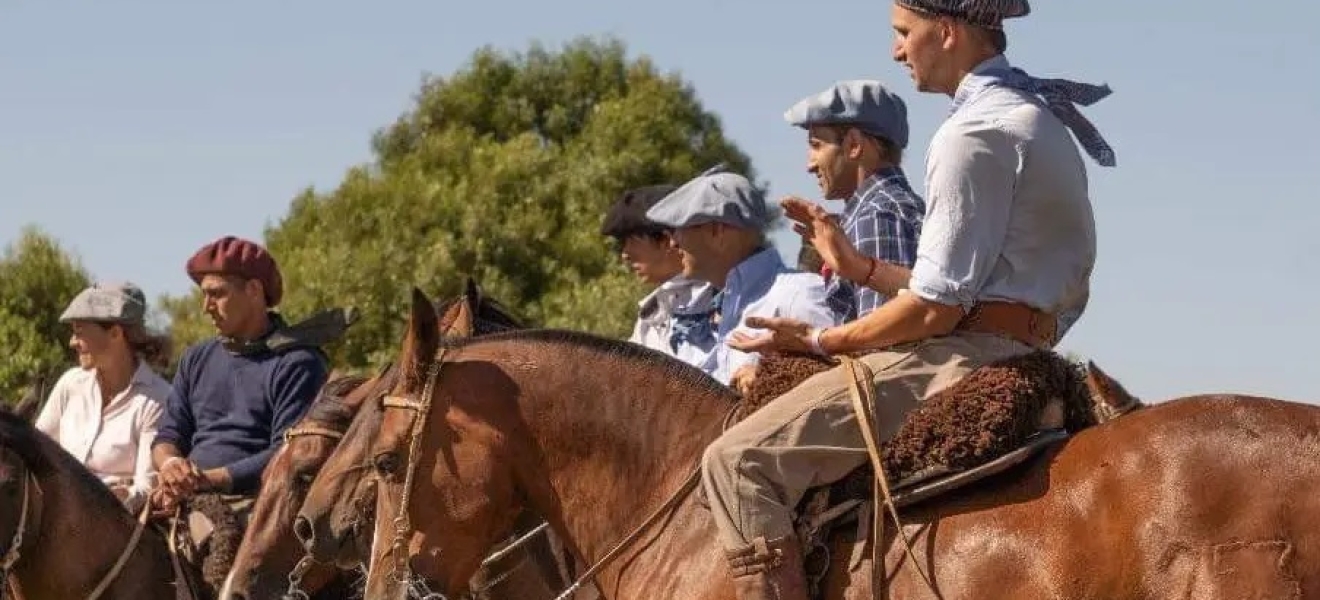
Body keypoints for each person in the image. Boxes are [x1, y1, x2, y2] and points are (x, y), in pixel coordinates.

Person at [699, 0, 1114, 596]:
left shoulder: (971, 132)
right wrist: (860, 269)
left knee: (736, 462)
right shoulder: (1032, 114)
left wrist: (819, 340)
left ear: (945, 33)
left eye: (903, 33)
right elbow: (964, 286)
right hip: (1017, 341)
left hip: (963, 354)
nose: (896, 50)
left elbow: (934, 309)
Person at [150, 236, 332, 535]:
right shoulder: (197, 358)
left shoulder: (297, 362)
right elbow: (169, 433)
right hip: (187, 495)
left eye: (216, 294)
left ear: (254, 290)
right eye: (204, 295)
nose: (206, 306)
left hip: (256, 507)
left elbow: (288, 454)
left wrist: (209, 479)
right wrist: (171, 465)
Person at [644, 170, 839, 388]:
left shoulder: (798, 294)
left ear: (717, 231)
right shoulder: (730, 308)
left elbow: (842, 381)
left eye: (680, 230)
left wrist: (773, 379)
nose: (673, 243)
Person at [781, 79, 926, 322]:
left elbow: (883, 345)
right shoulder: (888, 207)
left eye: (817, 146)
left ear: (854, 145)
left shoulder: (877, 214)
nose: (810, 165)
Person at [36, 282, 173, 514]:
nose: (72, 342)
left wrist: (120, 497)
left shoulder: (157, 399)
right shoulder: (70, 384)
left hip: (115, 528)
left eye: (79, 332)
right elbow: (36, 450)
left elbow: (145, 488)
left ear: (115, 333)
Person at [601, 183, 720, 366]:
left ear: (665, 240)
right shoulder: (651, 312)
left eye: (630, 242)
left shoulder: (719, 297)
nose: (625, 255)